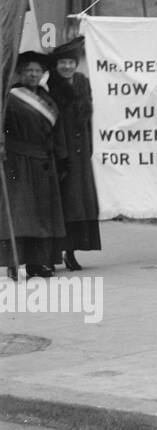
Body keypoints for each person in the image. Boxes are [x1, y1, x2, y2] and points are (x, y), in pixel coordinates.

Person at [1, 51, 65, 280]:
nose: (33, 74)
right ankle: (14, 262)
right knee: (21, 214)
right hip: (17, 162)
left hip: (44, 164)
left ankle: (40, 263)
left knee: (43, 216)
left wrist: (61, 156)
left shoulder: (47, 99)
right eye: (29, 70)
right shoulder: (9, 97)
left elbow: (56, 133)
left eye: (37, 71)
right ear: (21, 73)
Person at [47, 37, 99, 271]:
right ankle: (55, 253)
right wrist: (61, 153)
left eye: (71, 62)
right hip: (61, 153)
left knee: (79, 205)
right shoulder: (50, 87)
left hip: (81, 154)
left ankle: (72, 251)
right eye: (62, 63)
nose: (67, 66)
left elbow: (89, 118)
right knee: (63, 205)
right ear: (55, 65)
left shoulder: (82, 82)